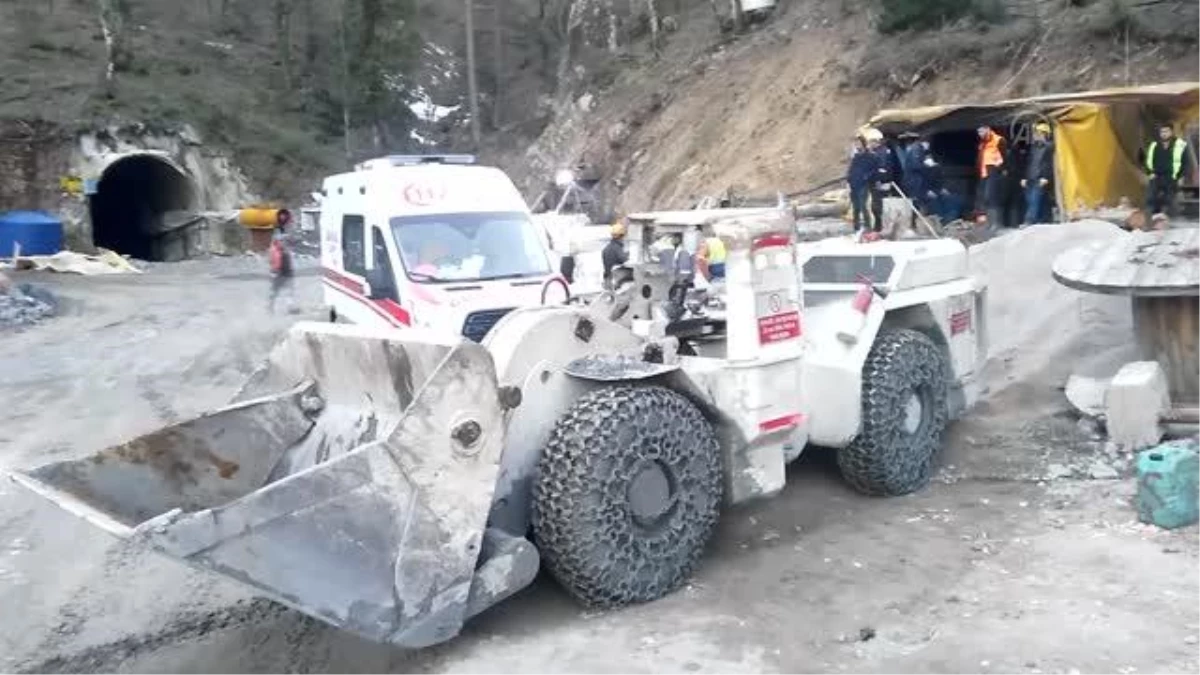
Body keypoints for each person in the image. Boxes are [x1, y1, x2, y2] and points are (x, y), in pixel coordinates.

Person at [1145, 123, 1192, 218]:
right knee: (1151, 199)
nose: (1164, 134)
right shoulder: (1154, 145)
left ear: (1171, 132)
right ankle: (1151, 220)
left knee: (1170, 200)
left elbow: (1186, 162)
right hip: (1156, 176)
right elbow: (1148, 160)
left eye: (1166, 131)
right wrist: (1149, 173)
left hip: (1171, 177)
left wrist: (1179, 176)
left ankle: (1172, 222)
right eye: (1162, 131)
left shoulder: (1180, 144)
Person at [1020, 122, 1055, 226]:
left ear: (1044, 134)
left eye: (1038, 133)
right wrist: (1024, 177)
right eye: (1035, 133)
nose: (1035, 135)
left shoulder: (1049, 147)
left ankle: (1029, 221)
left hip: (1040, 178)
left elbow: (1050, 163)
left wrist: (1046, 177)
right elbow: (1029, 163)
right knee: (1036, 199)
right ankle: (1044, 219)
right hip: (1031, 177)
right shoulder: (1033, 147)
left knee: (1034, 200)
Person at [846, 134, 878, 232]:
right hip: (854, 184)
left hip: (864, 185)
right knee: (855, 208)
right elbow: (851, 170)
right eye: (856, 143)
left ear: (863, 144)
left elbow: (874, 169)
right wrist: (849, 179)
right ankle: (856, 228)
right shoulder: (856, 157)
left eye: (858, 143)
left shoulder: (871, 156)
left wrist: (867, 177)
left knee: (863, 206)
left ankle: (868, 227)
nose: (857, 145)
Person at [977, 126, 1006, 229]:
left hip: (994, 171)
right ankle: (987, 223)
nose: (980, 134)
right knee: (983, 197)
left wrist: (1001, 169)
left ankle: (995, 223)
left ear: (988, 129)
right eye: (978, 132)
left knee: (991, 196)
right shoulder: (983, 144)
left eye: (981, 131)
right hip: (984, 172)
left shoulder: (999, 140)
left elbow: (1005, 156)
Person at [865, 129, 893, 233]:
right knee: (875, 205)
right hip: (876, 182)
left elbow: (883, 169)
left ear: (876, 141)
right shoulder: (876, 152)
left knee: (879, 206)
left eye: (871, 142)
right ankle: (877, 227)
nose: (869, 144)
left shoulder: (882, 152)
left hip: (881, 182)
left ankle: (880, 227)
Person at [267, 225, 296, 314]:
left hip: (285, 272)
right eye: (281, 240)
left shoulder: (282, 249)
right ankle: (270, 307)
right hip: (279, 272)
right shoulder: (275, 249)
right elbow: (273, 261)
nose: (283, 242)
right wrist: (274, 272)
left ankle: (289, 307)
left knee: (288, 291)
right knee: (276, 291)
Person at [601, 219, 629, 290]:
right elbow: (623, 260)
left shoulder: (606, 248)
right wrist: (628, 255)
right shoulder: (617, 249)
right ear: (621, 236)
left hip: (608, 278)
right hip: (616, 280)